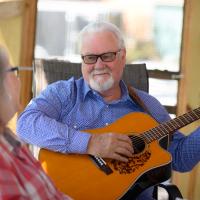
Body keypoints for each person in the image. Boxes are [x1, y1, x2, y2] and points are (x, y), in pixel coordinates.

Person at [17, 21, 200, 199]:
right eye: (90, 57)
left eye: (107, 56)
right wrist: (90, 143)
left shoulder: (149, 106)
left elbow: (181, 158)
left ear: (122, 56)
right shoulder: (64, 93)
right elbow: (26, 124)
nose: (98, 65)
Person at [0, 45, 72, 200]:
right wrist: (90, 142)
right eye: (13, 72)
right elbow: (26, 123)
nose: (18, 80)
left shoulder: (9, 139)